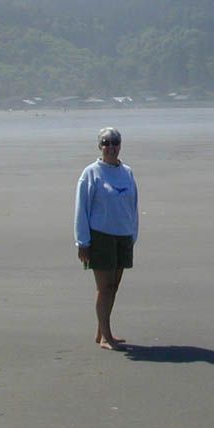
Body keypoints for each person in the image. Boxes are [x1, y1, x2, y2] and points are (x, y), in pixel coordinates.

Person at [74, 127, 139, 350]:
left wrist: (133, 234)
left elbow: (133, 205)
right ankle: (106, 337)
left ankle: (101, 331)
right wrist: (82, 242)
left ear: (120, 145)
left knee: (114, 286)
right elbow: (82, 209)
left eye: (114, 142)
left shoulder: (127, 172)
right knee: (105, 288)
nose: (110, 147)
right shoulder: (91, 173)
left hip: (123, 236)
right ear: (99, 146)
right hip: (101, 236)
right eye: (106, 143)